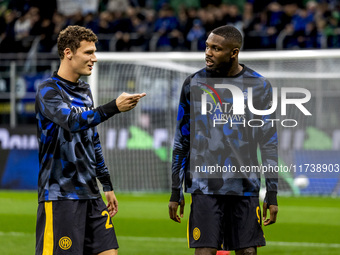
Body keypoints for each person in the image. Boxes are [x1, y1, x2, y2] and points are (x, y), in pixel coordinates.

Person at [35, 25, 146, 255]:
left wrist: (106, 183)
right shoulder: (48, 91)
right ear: (68, 53)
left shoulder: (85, 90)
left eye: (94, 52)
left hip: (90, 193)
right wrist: (113, 107)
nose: (94, 58)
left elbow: (91, 138)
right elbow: (73, 122)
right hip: (61, 195)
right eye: (88, 52)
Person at [168, 25, 278, 255]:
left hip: (245, 186)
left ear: (233, 52)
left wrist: (272, 192)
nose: (208, 52)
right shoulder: (193, 84)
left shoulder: (259, 86)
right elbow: (181, 140)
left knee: (248, 252)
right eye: (207, 47)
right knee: (205, 252)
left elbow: (268, 142)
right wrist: (175, 190)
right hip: (204, 186)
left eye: (216, 48)